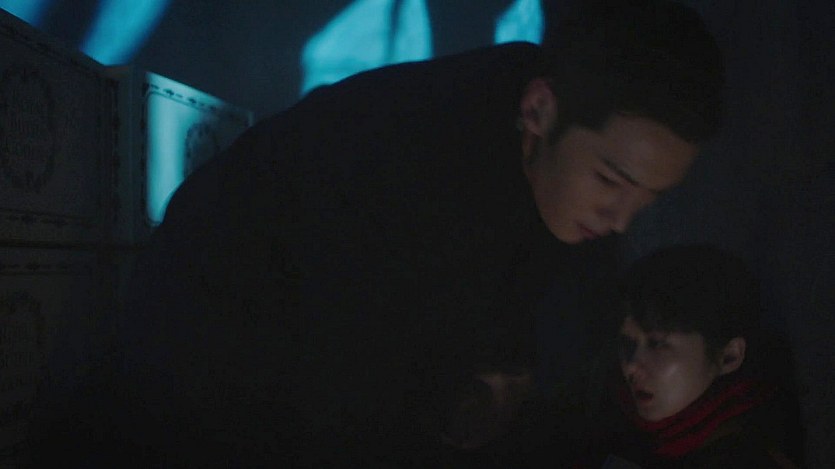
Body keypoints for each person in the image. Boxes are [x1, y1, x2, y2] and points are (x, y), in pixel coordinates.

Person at [72, 1, 725, 467]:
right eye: (611, 179)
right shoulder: (397, 167)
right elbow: (345, 406)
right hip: (200, 380)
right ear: (537, 110)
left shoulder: (560, 175)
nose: (621, 217)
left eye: (649, 198)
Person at [575, 244, 803, 468]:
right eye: (627, 343)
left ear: (729, 356)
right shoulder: (605, 412)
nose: (631, 366)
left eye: (658, 344)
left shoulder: (750, 454)